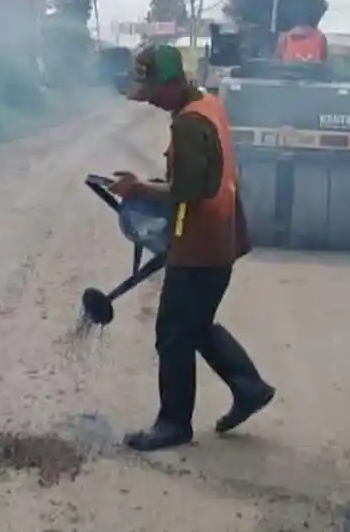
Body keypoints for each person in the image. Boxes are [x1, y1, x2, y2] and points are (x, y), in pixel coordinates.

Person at [109, 43, 276, 452]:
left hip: (201, 243)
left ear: (170, 83)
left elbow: (189, 190)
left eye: (151, 91)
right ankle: (249, 386)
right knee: (195, 324)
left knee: (173, 332)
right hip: (221, 235)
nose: (148, 101)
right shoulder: (207, 103)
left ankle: (173, 424)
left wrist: (139, 188)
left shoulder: (187, 124)